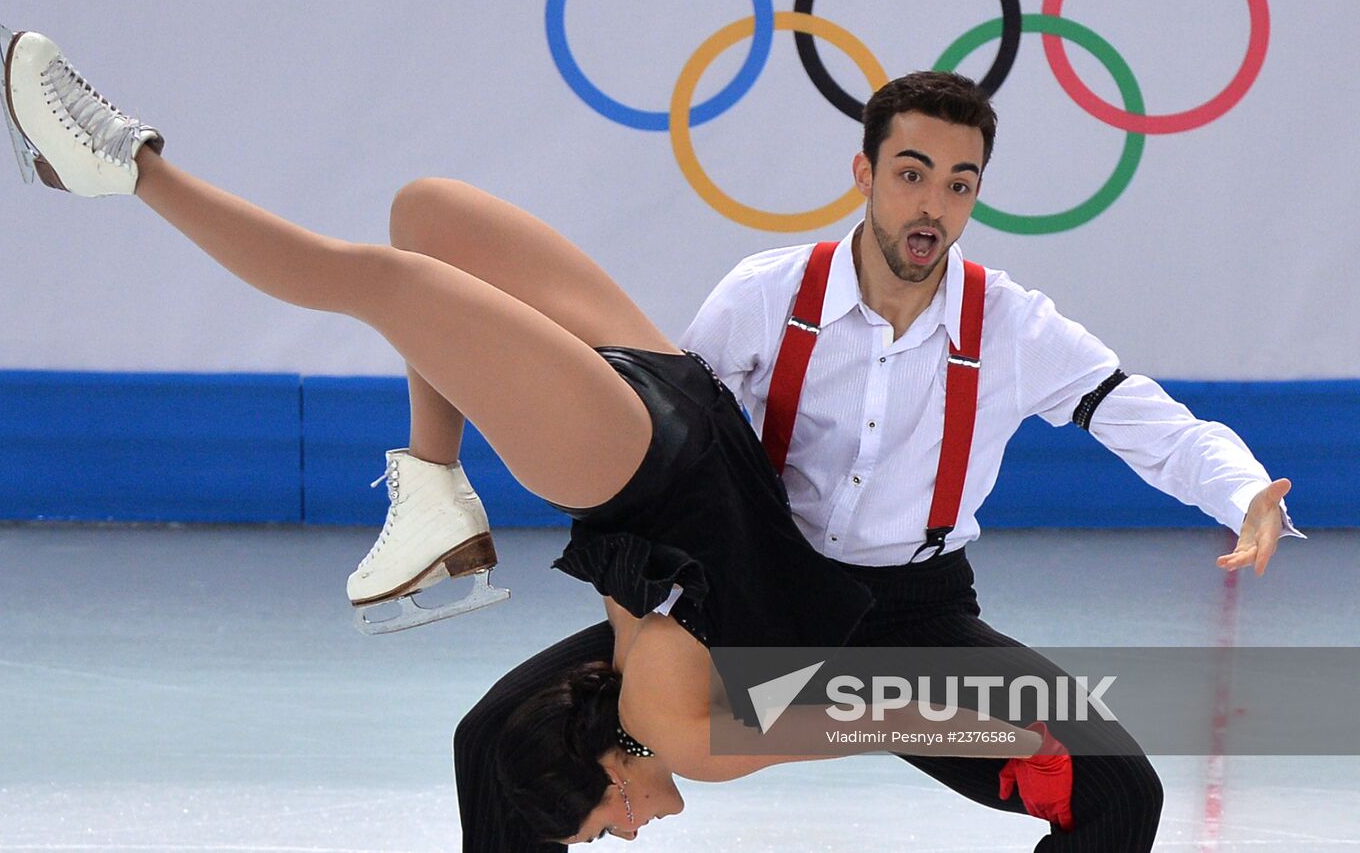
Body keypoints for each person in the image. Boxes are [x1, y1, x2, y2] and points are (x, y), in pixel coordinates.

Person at [0, 30, 1072, 846]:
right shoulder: (669, 713)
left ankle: (134, 171)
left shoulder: (670, 714)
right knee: (414, 238)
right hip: (659, 425)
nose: (633, 831)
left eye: (603, 829)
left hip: (650, 440)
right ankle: (426, 485)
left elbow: (861, 702)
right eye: (610, 834)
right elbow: (874, 705)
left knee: (410, 247)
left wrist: (1009, 741)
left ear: (601, 770)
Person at [447, 71, 1301, 852]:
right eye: (912, 175)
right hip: (753, 595)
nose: (932, 206)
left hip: (913, 620)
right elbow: (678, 452)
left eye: (959, 186)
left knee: (1119, 792)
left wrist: (1244, 491)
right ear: (864, 173)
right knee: (490, 737)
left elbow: (1151, 422)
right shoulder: (767, 295)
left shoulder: (1013, 327)